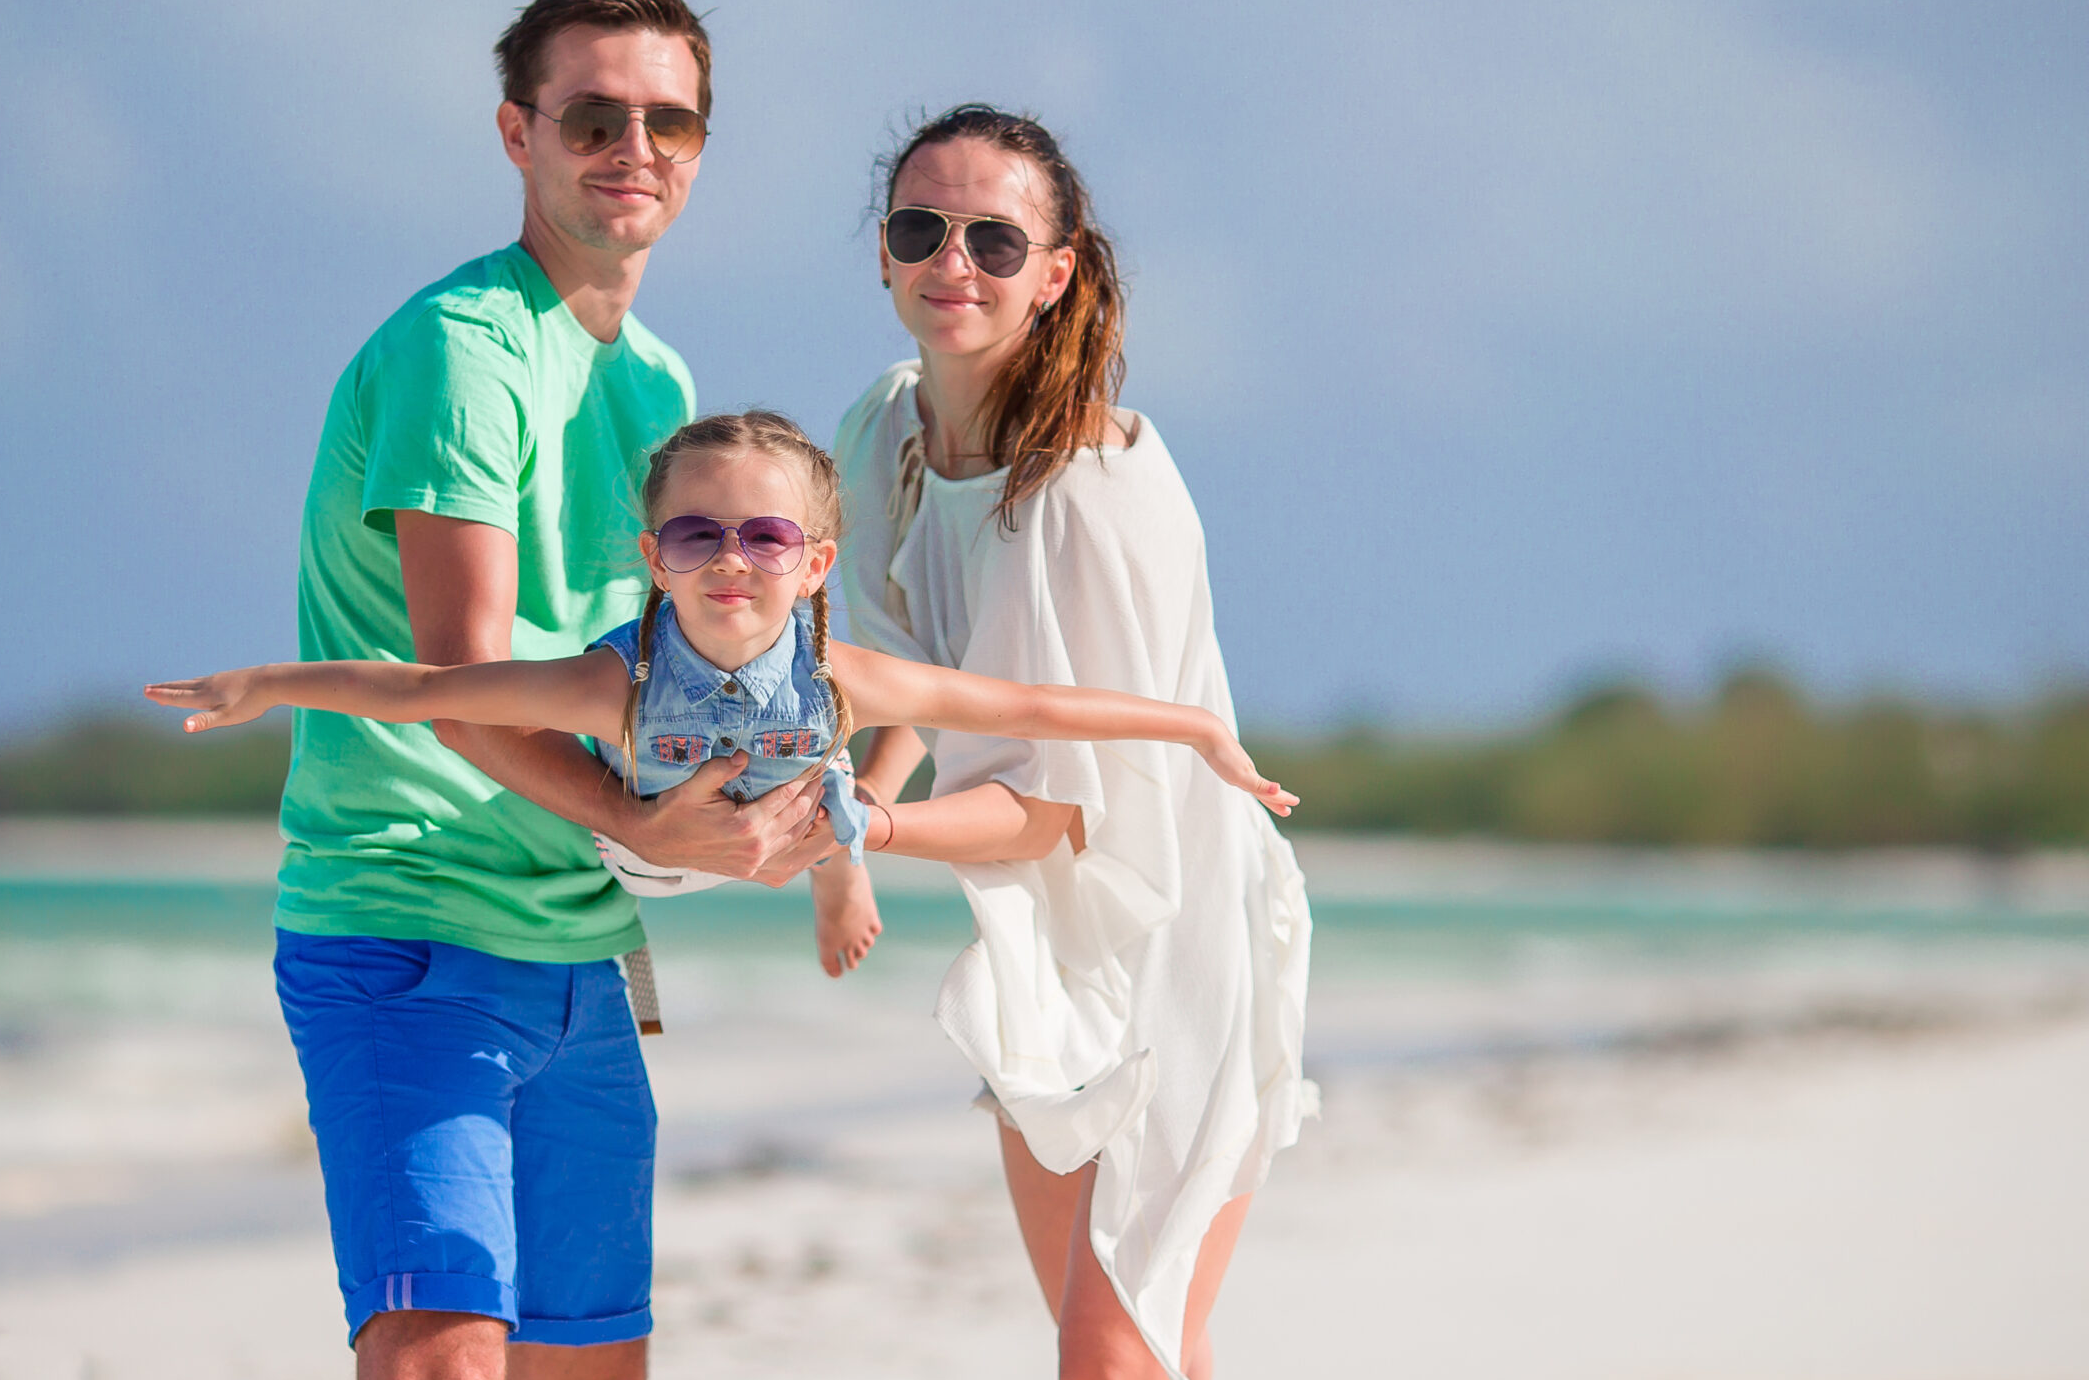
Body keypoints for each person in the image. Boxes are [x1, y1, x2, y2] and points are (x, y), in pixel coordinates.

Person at [267, 0, 838, 1380]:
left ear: (700, 149)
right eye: (592, 117)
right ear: (517, 134)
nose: (633, 148)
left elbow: (688, 667)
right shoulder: (461, 347)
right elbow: (462, 680)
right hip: (409, 921)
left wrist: (781, 816)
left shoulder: (659, 381)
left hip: (581, 940)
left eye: (669, 122)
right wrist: (648, 823)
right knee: (442, 1374)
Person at [832, 105, 1318, 1380]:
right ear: (883, 252)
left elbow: (1057, 811)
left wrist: (862, 829)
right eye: (921, 228)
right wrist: (858, 815)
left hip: (1172, 939)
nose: (954, 262)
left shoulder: (1086, 492)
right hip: (1045, 947)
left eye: (995, 240)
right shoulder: (883, 430)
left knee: (1114, 1377)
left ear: (1054, 272)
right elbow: (915, 673)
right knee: (1153, 1357)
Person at [149, 410, 1297, 968]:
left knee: (881, 782)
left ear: (814, 563)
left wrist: (1198, 726)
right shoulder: (617, 683)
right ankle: (829, 840)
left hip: (796, 806)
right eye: (697, 536)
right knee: (561, 792)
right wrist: (270, 682)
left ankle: (842, 862)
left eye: (766, 536)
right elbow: (425, 690)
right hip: (651, 847)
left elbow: (1030, 707)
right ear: (655, 560)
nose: (732, 560)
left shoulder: (839, 669)